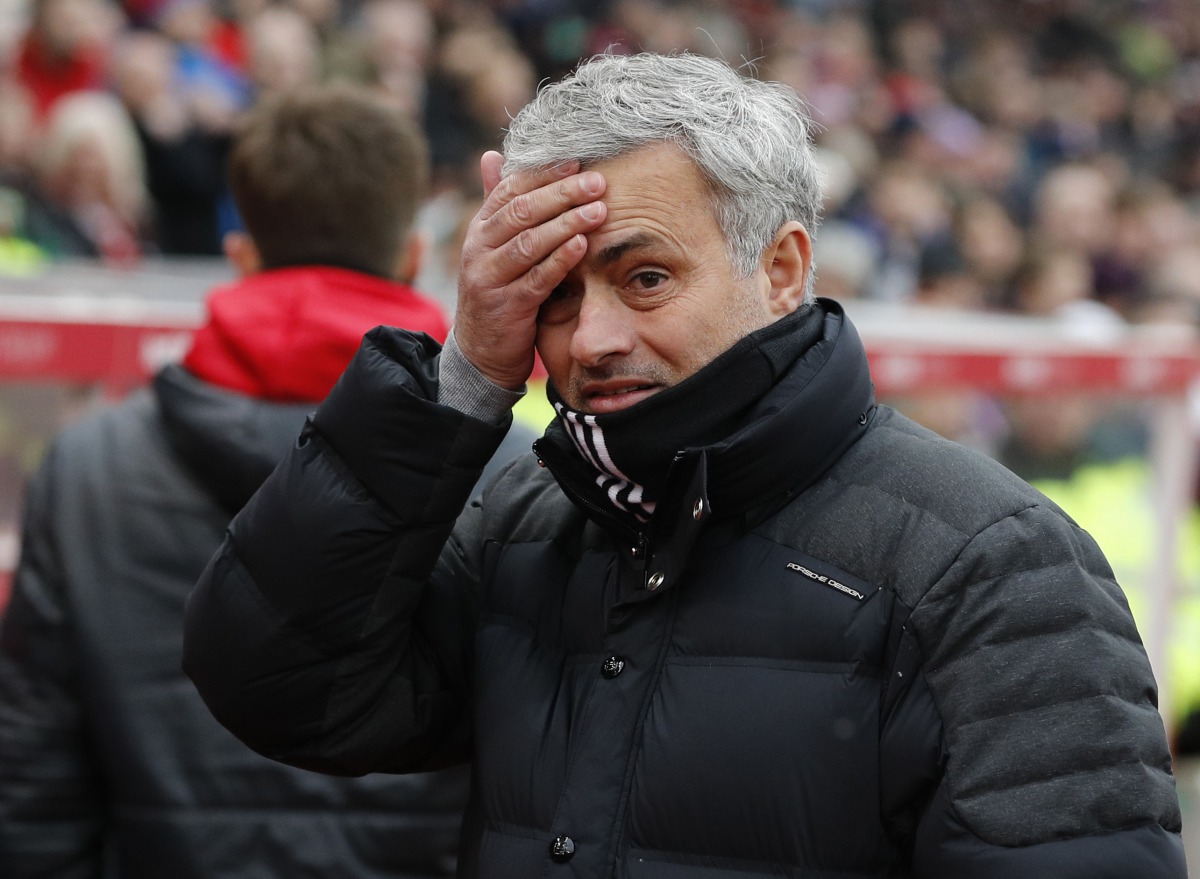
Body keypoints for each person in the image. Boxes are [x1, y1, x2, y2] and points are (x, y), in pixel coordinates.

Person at [182, 53, 1187, 877]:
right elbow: (280, 688)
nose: (592, 339)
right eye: (558, 294)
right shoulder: (535, 511)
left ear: (783, 268)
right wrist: (464, 377)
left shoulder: (995, 563)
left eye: (645, 277)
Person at [0, 83, 533, 879]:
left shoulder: (89, 465)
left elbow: (35, 777)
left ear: (242, 251)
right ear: (411, 257)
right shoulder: (512, 468)